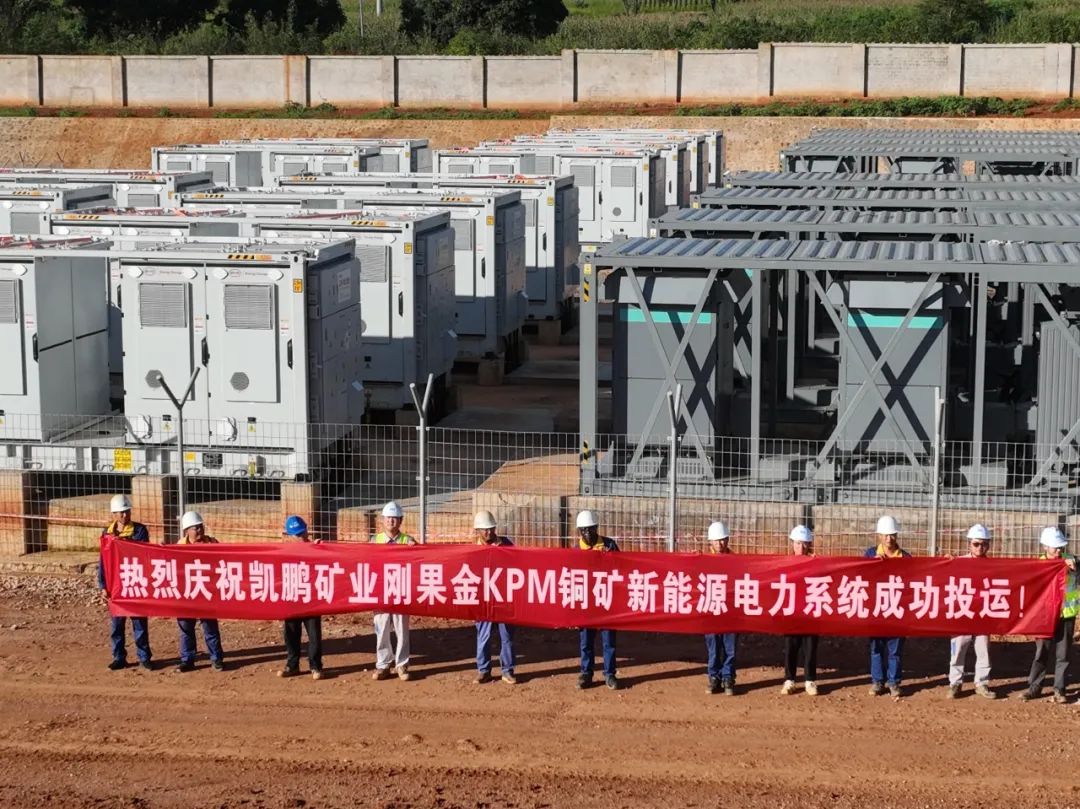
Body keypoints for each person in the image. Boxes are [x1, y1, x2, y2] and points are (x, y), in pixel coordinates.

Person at [1019, 527, 1080, 704]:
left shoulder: (1071, 561)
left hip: (1066, 614)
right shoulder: (1037, 565)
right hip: (1044, 616)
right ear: (1045, 546)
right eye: (1055, 547)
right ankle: (1034, 687)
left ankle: (1059, 689)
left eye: (1061, 547)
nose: (1059, 550)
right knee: (1041, 652)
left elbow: (1076, 582)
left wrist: (1074, 570)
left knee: (1063, 654)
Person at [99, 494, 153, 671]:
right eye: (121, 512)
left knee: (139, 623)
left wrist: (121, 542)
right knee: (117, 624)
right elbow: (103, 561)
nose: (125, 515)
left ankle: (144, 657)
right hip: (116, 585)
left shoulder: (139, 531)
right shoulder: (107, 533)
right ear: (114, 514)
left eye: (127, 511)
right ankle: (119, 657)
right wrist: (103, 585)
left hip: (135, 581)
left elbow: (142, 552)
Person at [947, 524, 996, 700]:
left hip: (983, 613)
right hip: (963, 611)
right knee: (959, 648)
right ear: (969, 544)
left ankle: (981, 683)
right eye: (976, 544)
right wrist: (946, 563)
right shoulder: (958, 562)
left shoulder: (994, 566)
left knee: (983, 649)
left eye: (984, 544)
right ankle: (955, 683)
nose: (980, 548)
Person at [865, 515, 911, 698]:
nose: (889, 539)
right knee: (876, 648)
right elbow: (861, 577)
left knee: (895, 649)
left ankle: (894, 682)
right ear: (879, 536)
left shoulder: (906, 558)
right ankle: (877, 681)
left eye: (892, 535)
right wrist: (873, 564)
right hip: (876, 609)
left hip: (897, 610)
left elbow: (912, 582)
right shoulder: (870, 555)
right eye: (885, 535)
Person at [372, 501, 417, 682]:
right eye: (388, 518)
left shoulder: (408, 541)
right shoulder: (374, 541)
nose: (391, 521)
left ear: (401, 521)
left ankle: (402, 664)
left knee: (401, 629)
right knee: (381, 628)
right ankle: (383, 664)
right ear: (382, 520)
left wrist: (416, 548)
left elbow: (420, 561)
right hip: (381, 592)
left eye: (395, 518)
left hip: (400, 591)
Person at [576, 509, 620, 691]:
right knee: (586, 640)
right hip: (586, 603)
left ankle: (609, 674)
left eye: (591, 529)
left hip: (606, 601)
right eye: (583, 530)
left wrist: (609, 558)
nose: (587, 533)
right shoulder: (576, 551)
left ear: (596, 528)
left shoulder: (609, 545)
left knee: (608, 640)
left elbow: (621, 568)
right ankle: (586, 673)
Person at [175, 511, 225, 673]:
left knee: (210, 627)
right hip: (187, 593)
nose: (199, 530)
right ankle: (187, 660)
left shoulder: (212, 543)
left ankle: (216, 658)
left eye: (200, 526)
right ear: (186, 531)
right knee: (185, 627)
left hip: (206, 592)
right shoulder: (179, 547)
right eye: (195, 528)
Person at [473, 510, 517, 685]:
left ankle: (507, 670)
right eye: (484, 529)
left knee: (506, 636)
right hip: (483, 599)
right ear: (477, 530)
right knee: (483, 635)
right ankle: (483, 670)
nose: (488, 532)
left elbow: (518, 564)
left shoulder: (506, 544)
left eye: (491, 528)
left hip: (503, 598)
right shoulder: (472, 550)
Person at [278, 515, 323, 681]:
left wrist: (320, 549)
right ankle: (292, 665)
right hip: (292, 597)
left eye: (303, 532)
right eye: (297, 535)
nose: (302, 537)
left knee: (314, 635)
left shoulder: (315, 548)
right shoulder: (283, 552)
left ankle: (315, 666)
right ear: (289, 536)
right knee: (291, 633)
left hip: (311, 598)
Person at [780, 525, 819, 696]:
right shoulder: (785, 563)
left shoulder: (816, 563)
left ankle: (810, 680)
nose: (801, 548)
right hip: (792, 611)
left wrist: (818, 565)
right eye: (797, 543)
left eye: (804, 544)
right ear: (792, 544)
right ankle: (789, 679)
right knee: (791, 646)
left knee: (810, 647)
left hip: (810, 610)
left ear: (809, 545)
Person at [704, 520, 737, 696]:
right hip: (711, 608)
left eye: (722, 539)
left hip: (730, 609)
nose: (719, 543)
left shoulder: (736, 560)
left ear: (728, 539)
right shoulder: (703, 560)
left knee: (730, 646)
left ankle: (728, 677)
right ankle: (714, 677)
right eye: (716, 540)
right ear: (710, 541)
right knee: (713, 645)